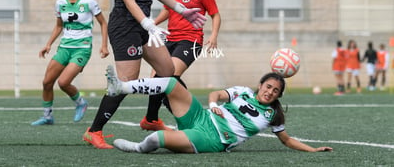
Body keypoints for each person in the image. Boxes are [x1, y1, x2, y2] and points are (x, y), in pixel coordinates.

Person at [83, 0, 206, 148]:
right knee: (126, 81)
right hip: (125, 27)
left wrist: (182, 10)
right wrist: (148, 24)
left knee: (167, 70)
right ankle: (94, 131)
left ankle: (151, 119)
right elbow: (129, 1)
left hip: (143, 25)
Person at [104, 68, 333, 153]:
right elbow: (215, 95)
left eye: (275, 91)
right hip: (203, 116)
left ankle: (136, 148)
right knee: (171, 82)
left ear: (278, 96)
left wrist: (312, 150)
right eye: (268, 86)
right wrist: (213, 106)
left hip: (212, 138)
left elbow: (287, 140)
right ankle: (120, 87)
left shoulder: (273, 115)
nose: (270, 92)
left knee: (156, 138)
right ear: (260, 85)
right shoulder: (242, 91)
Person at [140, 0, 221, 131]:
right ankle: (155, 119)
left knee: (166, 77)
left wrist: (213, 36)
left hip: (191, 41)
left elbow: (215, 14)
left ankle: (155, 119)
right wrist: (152, 24)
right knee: (157, 80)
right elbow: (168, 10)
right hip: (170, 39)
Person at [31, 0, 109, 126]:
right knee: (47, 82)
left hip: (82, 48)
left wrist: (104, 45)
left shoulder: (88, 2)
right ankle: (47, 116)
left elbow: (103, 23)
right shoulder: (60, 3)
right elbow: (58, 26)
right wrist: (48, 45)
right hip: (65, 47)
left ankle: (81, 103)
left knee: (64, 82)